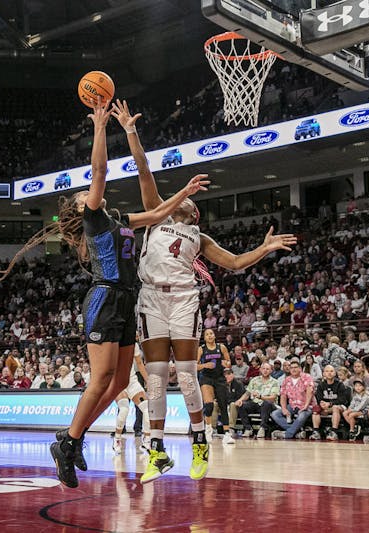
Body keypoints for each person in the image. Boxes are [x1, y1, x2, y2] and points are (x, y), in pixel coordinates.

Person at [0, 102, 209, 489]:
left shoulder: (120, 221)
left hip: (129, 299)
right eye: (82, 196)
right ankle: (69, 443)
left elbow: (157, 213)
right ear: (82, 208)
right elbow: (100, 171)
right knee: (102, 377)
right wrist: (99, 127)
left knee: (120, 381)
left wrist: (185, 191)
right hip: (105, 297)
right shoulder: (93, 218)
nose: (88, 194)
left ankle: (72, 439)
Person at [110, 100, 295, 483]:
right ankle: (157, 451)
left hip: (182, 298)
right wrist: (130, 131)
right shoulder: (156, 215)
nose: (187, 201)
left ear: (194, 214)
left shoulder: (200, 235)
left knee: (189, 375)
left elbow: (235, 263)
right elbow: (143, 169)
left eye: (191, 202)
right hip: (150, 299)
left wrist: (264, 248)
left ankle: (200, 441)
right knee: (157, 378)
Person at [112, 341, 151, 454]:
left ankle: (147, 440)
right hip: (117, 382)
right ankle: (117, 439)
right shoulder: (111, 342)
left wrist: (148, 381)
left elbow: (139, 363)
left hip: (132, 381)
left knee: (148, 409)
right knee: (124, 409)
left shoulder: (133, 344)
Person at [271, 360, 316, 439]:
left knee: (301, 416)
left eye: (295, 367)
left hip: (306, 405)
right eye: (291, 368)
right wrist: (284, 408)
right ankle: (296, 432)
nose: (293, 369)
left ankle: (288, 434)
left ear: (300, 369)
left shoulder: (306, 377)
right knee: (275, 414)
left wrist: (306, 405)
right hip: (292, 405)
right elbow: (283, 396)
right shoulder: (286, 380)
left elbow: (310, 391)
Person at [235, 362, 280, 438]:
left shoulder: (275, 382)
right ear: (260, 369)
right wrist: (240, 400)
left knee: (266, 403)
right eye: (263, 369)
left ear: (271, 371)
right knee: (242, 405)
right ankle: (248, 428)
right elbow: (247, 393)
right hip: (255, 403)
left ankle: (262, 428)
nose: (265, 371)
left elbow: (273, 397)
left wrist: (260, 397)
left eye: (267, 369)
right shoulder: (254, 380)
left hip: (269, 405)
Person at [309, 365, 351, 441]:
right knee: (316, 409)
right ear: (324, 373)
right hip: (326, 407)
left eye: (331, 371)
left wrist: (330, 404)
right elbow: (319, 398)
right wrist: (322, 404)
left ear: (335, 373)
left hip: (339, 406)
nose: (329, 373)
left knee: (335, 408)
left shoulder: (340, 384)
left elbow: (342, 400)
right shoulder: (321, 385)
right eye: (327, 371)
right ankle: (316, 432)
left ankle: (334, 432)